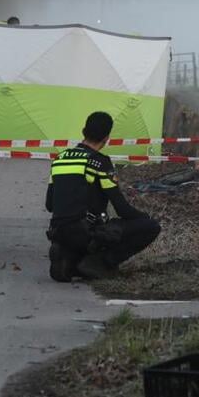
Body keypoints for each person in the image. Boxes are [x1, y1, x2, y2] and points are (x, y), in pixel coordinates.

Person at [45, 111, 161, 282]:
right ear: (106, 137)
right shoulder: (101, 162)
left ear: (84, 131)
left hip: (58, 231)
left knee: (78, 237)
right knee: (150, 226)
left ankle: (68, 257)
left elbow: (50, 205)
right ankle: (101, 262)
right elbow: (122, 209)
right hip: (86, 233)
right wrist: (145, 219)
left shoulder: (59, 159)